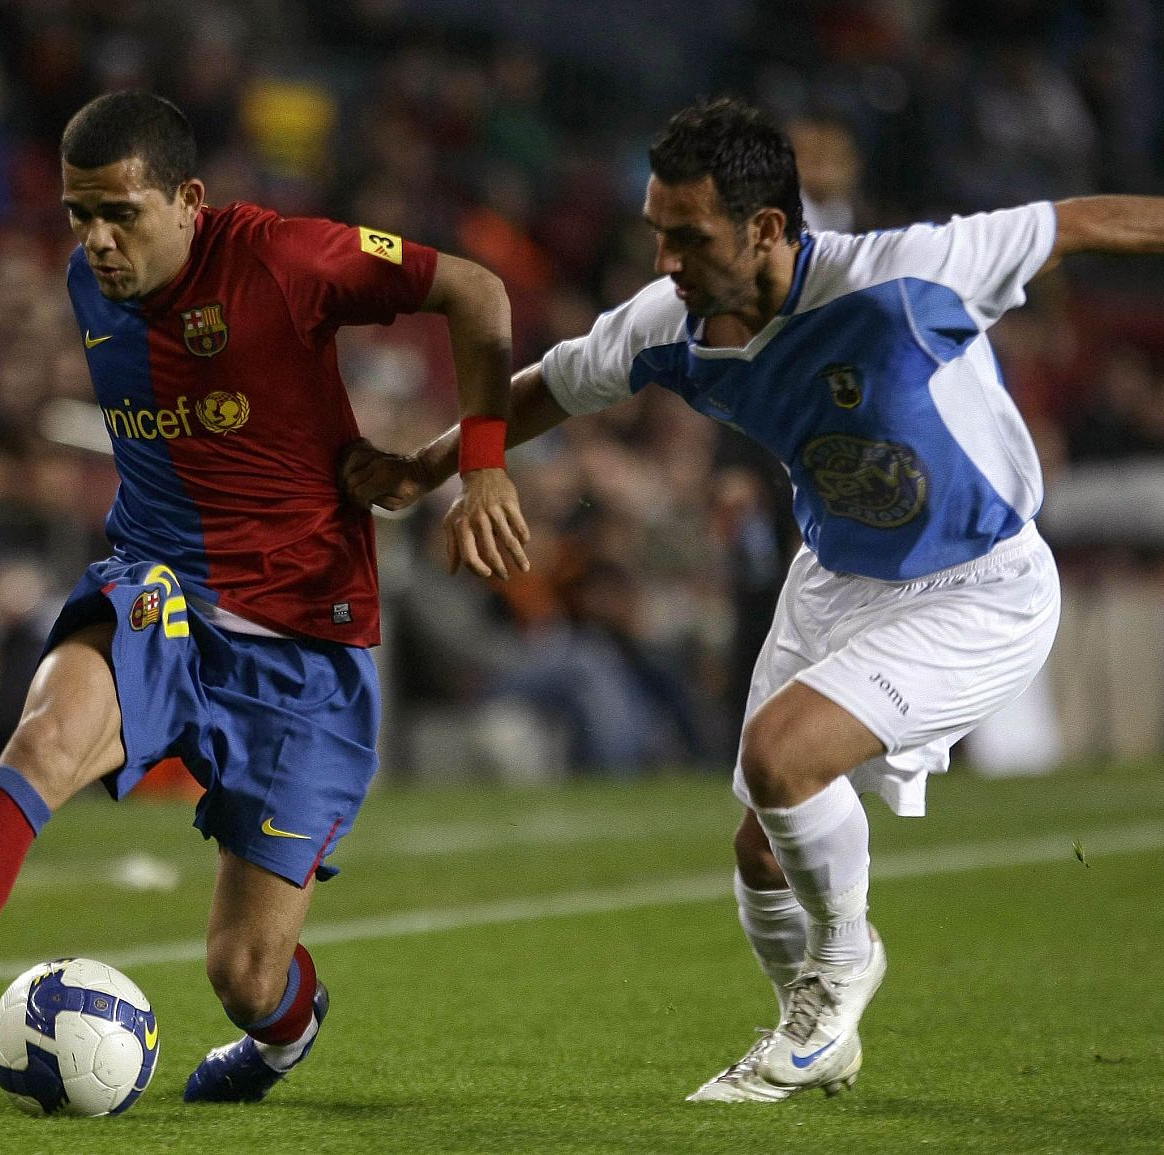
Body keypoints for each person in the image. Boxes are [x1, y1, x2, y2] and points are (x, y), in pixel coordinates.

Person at [345, 95, 1164, 1103]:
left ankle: (842, 966)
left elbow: (1079, 223)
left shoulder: (903, 274)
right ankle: (814, 1025)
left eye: (686, 238)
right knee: (762, 851)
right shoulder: (668, 326)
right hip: (834, 578)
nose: (665, 262)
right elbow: (546, 386)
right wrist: (434, 470)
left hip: (975, 585)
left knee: (779, 761)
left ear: (766, 229)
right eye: (656, 235)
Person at [0, 91, 529, 1100]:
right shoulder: (87, 285)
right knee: (42, 741)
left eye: (120, 214)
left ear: (188, 199)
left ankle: (281, 1037)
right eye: (77, 215)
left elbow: (480, 292)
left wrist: (477, 468)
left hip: (305, 641)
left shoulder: (288, 259)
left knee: (243, 974)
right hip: (160, 594)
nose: (96, 241)